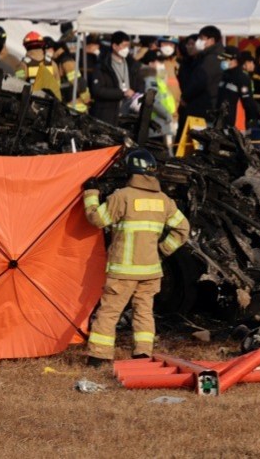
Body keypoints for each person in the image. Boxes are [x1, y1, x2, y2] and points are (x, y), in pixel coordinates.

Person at [82, 149, 190, 365]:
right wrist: (162, 250)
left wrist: (91, 194)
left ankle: (99, 357)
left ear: (130, 171)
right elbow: (183, 229)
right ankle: (142, 353)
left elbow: (97, 219)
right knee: (144, 312)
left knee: (110, 312)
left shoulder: (122, 197)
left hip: (123, 270)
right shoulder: (164, 201)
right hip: (150, 271)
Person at [88, 31, 141, 126]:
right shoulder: (102, 67)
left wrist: (138, 94)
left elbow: (140, 83)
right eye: (124, 46)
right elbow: (98, 90)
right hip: (108, 115)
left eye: (128, 46)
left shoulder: (132, 65)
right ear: (114, 46)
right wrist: (122, 93)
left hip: (128, 116)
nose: (126, 49)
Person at [181, 25, 224, 120]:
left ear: (211, 40)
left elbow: (199, 81)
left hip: (204, 105)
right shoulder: (218, 56)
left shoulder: (211, 59)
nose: (198, 42)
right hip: (210, 104)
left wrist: (185, 97)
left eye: (201, 39)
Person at [219, 50, 260, 131]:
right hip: (234, 121)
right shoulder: (235, 76)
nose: (253, 65)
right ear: (244, 64)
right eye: (251, 62)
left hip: (233, 120)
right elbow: (247, 100)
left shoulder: (238, 76)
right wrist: (257, 113)